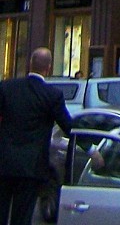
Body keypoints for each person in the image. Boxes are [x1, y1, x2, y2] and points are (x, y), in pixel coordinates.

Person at [0, 47, 73, 225]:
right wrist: (91, 149)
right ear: (48, 68)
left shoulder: (6, 88)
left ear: (29, 64)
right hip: (31, 167)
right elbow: (69, 126)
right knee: (22, 216)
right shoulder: (52, 95)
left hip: (4, 163)